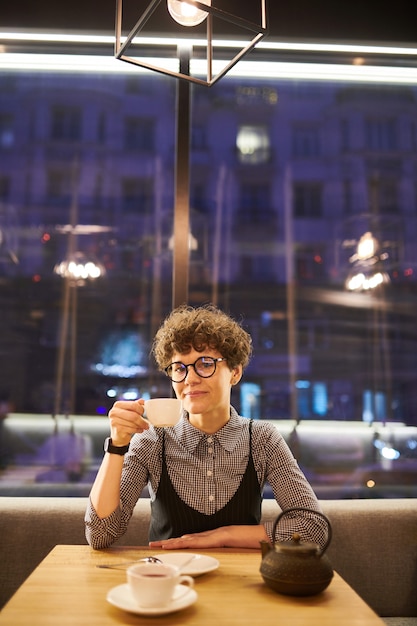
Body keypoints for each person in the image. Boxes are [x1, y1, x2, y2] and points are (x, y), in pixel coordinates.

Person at [85, 304, 327, 550]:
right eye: (179, 368)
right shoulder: (153, 440)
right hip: (170, 581)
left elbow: (312, 528)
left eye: (205, 364)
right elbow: (101, 535)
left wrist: (223, 536)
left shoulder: (262, 439)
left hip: (241, 582)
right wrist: (117, 445)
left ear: (235, 372)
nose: (190, 379)